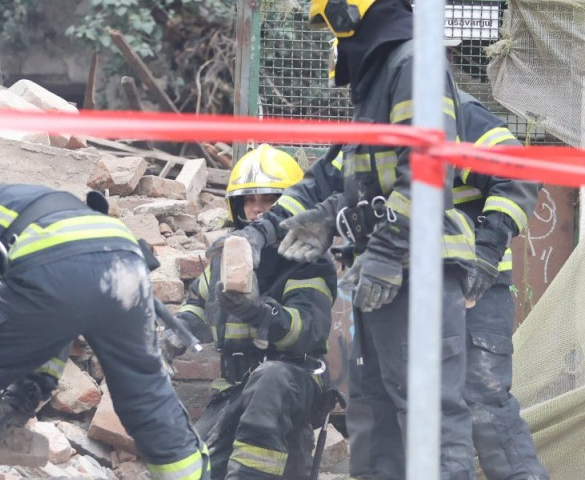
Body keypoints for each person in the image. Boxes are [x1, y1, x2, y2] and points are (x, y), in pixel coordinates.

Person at [231, 0, 479, 477]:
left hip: (417, 271)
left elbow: (429, 172)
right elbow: (359, 183)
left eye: (331, 22)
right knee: (372, 412)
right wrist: (325, 219)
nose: (335, 38)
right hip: (381, 273)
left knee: (428, 415)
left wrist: (387, 250)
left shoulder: (413, 63)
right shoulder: (382, 78)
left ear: (351, 13)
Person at [0, 183, 209, 480]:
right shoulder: (8, 224)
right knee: (143, 392)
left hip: (60, 257)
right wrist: (19, 405)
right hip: (124, 254)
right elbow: (50, 328)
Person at [162, 145, 339, 480]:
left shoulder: (307, 262)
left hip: (291, 381)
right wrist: (173, 336)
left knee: (270, 379)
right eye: (250, 200)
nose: (258, 210)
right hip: (232, 387)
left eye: (269, 201)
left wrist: (259, 313)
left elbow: (307, 331)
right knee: (191, 469)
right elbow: (197, 307)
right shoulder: (227, 259)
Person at [455, 92, 548, 480]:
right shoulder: (380, 121)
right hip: (412, 293)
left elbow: (517, 171)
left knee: (485, 407)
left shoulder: (454, 114)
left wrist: (486, 250)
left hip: (476, 290)